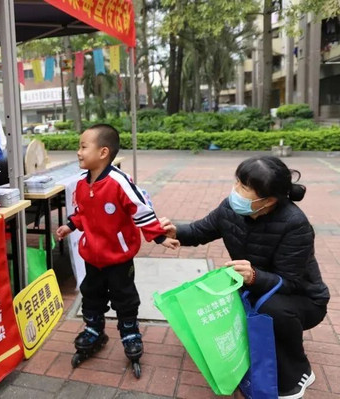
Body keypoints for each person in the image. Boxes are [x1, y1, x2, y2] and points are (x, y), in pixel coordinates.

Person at [161, 155, 329, 399]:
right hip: (255, 285)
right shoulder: (230, 208)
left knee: (271, 310)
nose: (235, 191)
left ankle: (298, 372)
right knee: (217, 299)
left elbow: (290, 282)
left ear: (269, 200)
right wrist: (175, 230)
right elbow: (200, 230)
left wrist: (254, 277)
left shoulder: (295, 224)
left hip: (300, 299)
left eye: (244, 187)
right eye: (237, 182)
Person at [56, 124, 179, 369]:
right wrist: (70, 225)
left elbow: (140, 209)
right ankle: (94, 330)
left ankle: (130, 332)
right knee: (91, 294)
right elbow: (82, 212)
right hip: (92, 255)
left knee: (124, 296)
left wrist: (159, 237)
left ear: (103, 152)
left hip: (118, 257)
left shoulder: (118, 182)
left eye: (83, 147)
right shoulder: (82, 184)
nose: (78, 152)